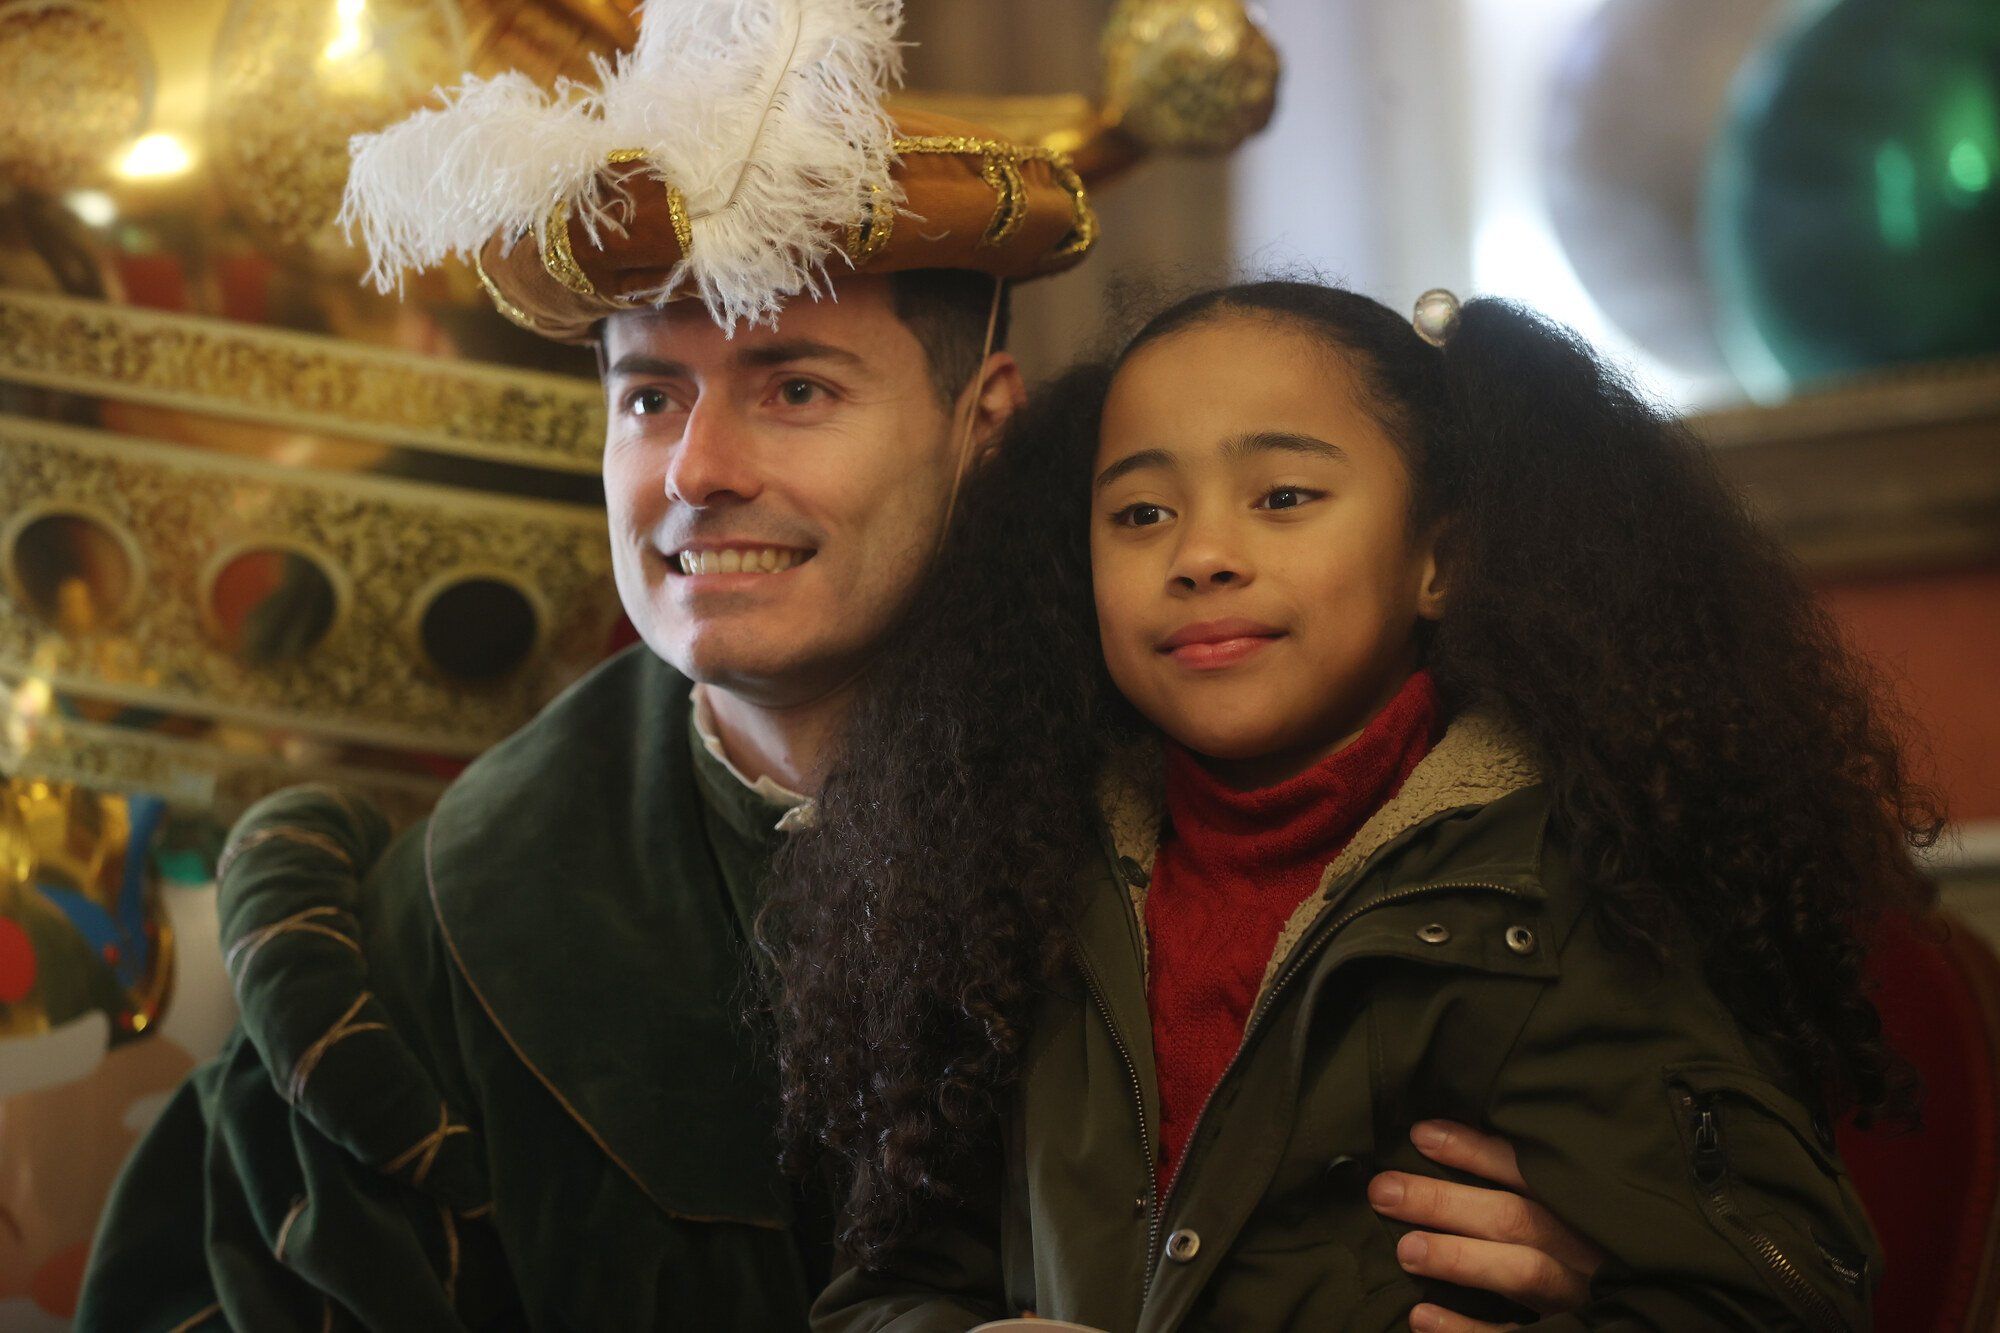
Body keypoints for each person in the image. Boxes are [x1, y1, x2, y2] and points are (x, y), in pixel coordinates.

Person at [75, 3, 1594, 1327]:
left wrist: (1588, 1259)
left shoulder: (1237, 794)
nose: (698, 470)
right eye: (649, 398)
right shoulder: (451, 920)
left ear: (981, 418)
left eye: (793, 388)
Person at [769, 281, 1943, 1331]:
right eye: (1139, 514)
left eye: (1281, 496)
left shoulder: (1574, 888)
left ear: (1439, 561)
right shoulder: (1010, 887)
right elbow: (883, 1285)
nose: (1201, 554)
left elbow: (1780, 1288)